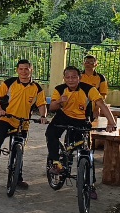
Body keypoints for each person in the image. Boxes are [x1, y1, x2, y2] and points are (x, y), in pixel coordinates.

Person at [0, 59, 48, 189]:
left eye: (26, 69)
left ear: (31, 70)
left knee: (18, 150)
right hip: (7, 119)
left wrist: (43, 116)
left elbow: (41, 104)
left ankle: (17, 178)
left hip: (23, 122)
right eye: (21, 69)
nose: (24, 71)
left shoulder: (37, 88)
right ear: (17, 70)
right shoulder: (10, 83)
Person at [46, 66, 116, 199]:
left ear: (80, 78)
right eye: (68, 77)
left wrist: (111, 122)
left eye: (74, 77)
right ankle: (56, 163)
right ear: (64, 78)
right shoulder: (60, 89)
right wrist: (60, 101)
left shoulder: (88, 89)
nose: (71, 80)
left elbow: (101, 104)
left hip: (80, 119)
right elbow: (52, 107)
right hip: (63, 116)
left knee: (86, 151)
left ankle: (90, 184)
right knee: (51, 134)